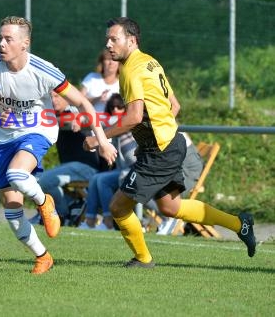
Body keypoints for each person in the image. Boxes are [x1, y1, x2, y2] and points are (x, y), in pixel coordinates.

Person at [85, 17, 256, 267]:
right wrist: (159, 130)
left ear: (131, 40)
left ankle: (143, 260)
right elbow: (174, 106)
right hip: (169, 145)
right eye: (107, 39)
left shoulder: (132, 69)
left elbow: (133, 117)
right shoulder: (150, 62)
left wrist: (98, 138)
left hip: (160, 151)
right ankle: (240, 224)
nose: (108, 45)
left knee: (119, 207)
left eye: (114, 39)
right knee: (171, 207)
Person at [0, 16, 117, 274]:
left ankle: (44, 202)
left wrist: (103, 141)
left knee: (17, 174)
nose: (2, 44)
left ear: (25, 43)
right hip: (4, 138)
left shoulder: (43, 70)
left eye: (8, 39)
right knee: (12, 209)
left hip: (38, 130)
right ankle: (42, 256)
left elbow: (84, 103)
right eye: (0, 38)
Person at [31, 91, 101, 225]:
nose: (53, 100)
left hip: (87, 167)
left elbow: (84, 116)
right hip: (70, 169)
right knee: (34, 179)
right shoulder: (53, 115)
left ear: (68, 99)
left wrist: (78, 119)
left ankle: (63, 214)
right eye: (51, 97)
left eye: (57, 96)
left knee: (44, 181)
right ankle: (74, 205)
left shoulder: (73, 112)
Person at [80, 93, 136, 230]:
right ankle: (90, 221)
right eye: (112, 107)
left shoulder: (130, 121)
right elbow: (100, 122)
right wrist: (78, 120)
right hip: (123, 170)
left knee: (102, 180)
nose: (116, 110)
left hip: (136, 170)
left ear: (126, 108)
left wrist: (80, 121)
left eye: (119, 106)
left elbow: (108, 122)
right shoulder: (114, 124)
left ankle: (108, 222)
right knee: (96, 179)